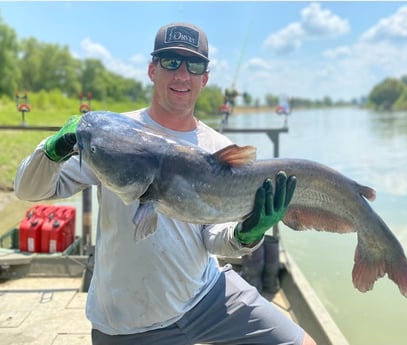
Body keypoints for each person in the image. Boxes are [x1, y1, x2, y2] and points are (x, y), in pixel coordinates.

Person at [14, 22, 316, 345]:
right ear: (152, 70)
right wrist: (53, 149)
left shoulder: (216, 147)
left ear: (205, 78)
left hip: (206, 295)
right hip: (128, 322)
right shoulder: (113, 140)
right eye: (170, 61)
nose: (181, 74)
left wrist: (248, 233)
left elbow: (213, 236)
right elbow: (28, 189)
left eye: (193, 64)